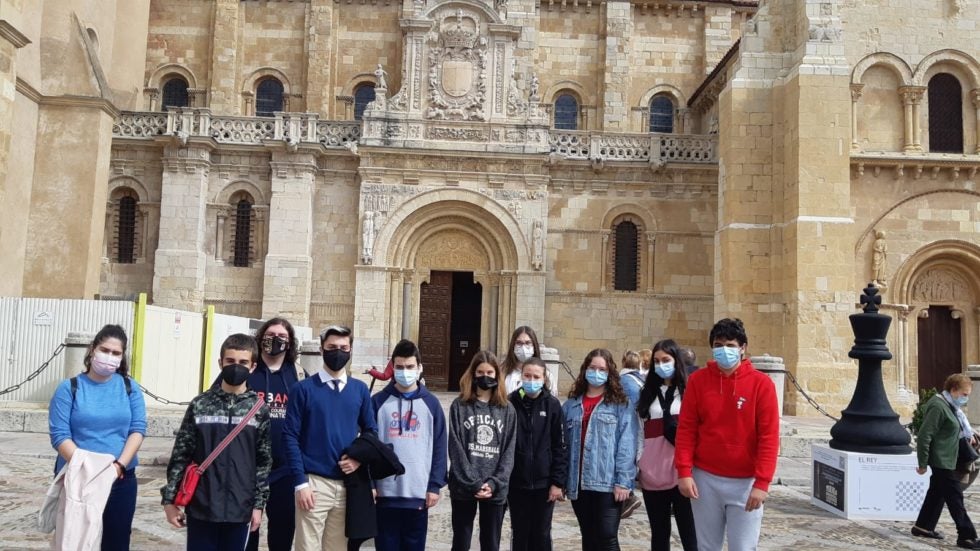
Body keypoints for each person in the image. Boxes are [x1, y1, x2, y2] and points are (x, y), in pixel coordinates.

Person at [675, 318, 779, 551]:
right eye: (719, 344)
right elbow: (687, 428)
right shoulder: (698, 381)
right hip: (705, 479)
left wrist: (762, 482)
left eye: (731, 345)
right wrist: (684, 471)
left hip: (745, 481)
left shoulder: (762, 385)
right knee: (706, 546)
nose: (725, 350)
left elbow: (769, 437)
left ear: (743, 348)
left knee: (743, 547)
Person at [161, 334, 272, 551]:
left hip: (240, 509)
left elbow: (263, 462)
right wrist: (169, 501)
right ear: (220, 363)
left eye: (243, 362)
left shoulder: (259, 410)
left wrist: (258, 505)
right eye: (230, 361)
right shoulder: (200, 404)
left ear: (253, 366)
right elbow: (180, 455)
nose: (236, 367)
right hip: (202, 506)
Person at [48, 324, 147, 551]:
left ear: (122, 357)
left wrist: (119, 465)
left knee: (117, 540)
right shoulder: (69, 388)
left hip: (119, 478)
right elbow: (59, 435)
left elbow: (138, 429)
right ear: (93, 350)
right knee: (76, 540)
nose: (109, 356)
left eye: (116, 353)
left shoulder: (130, 388)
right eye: (105, 350)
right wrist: (90, 467)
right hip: (79, 477)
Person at [208, 318, 301, 551]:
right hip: (246, 468)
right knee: (247, 531)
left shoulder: (296, 374)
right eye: (271, 334)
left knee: (282, 531)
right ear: (261, 338)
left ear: (289, 344)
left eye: (282, 337)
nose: (276, 340)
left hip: (284, 469)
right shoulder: (245, 369)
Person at [283, 325, 378, 551]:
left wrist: (358, 459)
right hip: (314, 483)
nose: (338, 352)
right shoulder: (303, 389)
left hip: (347, 484)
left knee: (337, 547)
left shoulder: (360, 390)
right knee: (307, 547)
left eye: (344, 348)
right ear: (322, 349)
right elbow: (290, 436)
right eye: (332, 347)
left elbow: (370, 432)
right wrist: (300, 482)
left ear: (351, 349)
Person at [371, 339, 448, 551]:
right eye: (400, 367)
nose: (405, 371)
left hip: (418, 495)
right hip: (385, 495)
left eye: (410, 367)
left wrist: (434, 486)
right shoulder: (377, 402)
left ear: (420, 368)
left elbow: (440, 446)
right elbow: (367, 446)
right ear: (392, 368)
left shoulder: (431, 404)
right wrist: (370, 484)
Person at [562, 348, 638, 550]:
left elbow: (627, 443)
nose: (596, 372)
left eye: (601, 369)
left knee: (607, 537)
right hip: (578, 483)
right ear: (585, 369)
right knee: (588, 536)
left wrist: (623, 480)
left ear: (609, 372)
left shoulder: (620, 404)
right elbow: (563, 444)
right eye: (592, 367)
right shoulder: (570, 405)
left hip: (607, 481)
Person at [448, 350, 517, 551]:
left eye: (489, 372)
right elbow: (456, 447)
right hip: (463, 486)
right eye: (480, 372)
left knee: (491, 543)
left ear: (497, 375)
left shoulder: (507, 409)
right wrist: (473, 482)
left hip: (495, 490)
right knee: (461, 541)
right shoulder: (459, 406)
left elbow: (509, 451)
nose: (484, 377)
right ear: (472, 374)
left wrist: (495, 483)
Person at [636, 339, 697, 551]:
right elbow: (639, 430)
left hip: (682, 471)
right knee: (659, 534)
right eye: (657, 361)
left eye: (666, 360)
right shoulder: (647, 393)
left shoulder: (689, 391)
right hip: (652, 471)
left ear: (676, 360)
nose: (661, 365)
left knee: (690, 533)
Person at [912, 373, 980, 549]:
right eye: (964, 394)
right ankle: (966, 536)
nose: (966, 398)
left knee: (937, 492)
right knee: (955, 497)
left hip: (949, 458)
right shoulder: (938, 406)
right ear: (954, 390)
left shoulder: (950, 406)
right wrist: (922, 463)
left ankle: (923, 526)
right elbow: (925, 436)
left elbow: (949, 429)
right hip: (941, 460)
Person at [507, 357, 568, 551]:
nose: (531, 380)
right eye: (527, 376)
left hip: (544, 484)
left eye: (536, 376)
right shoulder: (510, 403)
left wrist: (558, 482)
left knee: (541, 534)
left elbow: (560, 445)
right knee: (520, 533)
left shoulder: (552, 405)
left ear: (543, 379)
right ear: (521, 376)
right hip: (517, 483)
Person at [501, 326, 542, 394]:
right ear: (513, 345)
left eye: (528, 343)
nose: (523, 347)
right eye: (519, 343)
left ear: (534, 346)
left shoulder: (545, 374)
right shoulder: (502, 372)